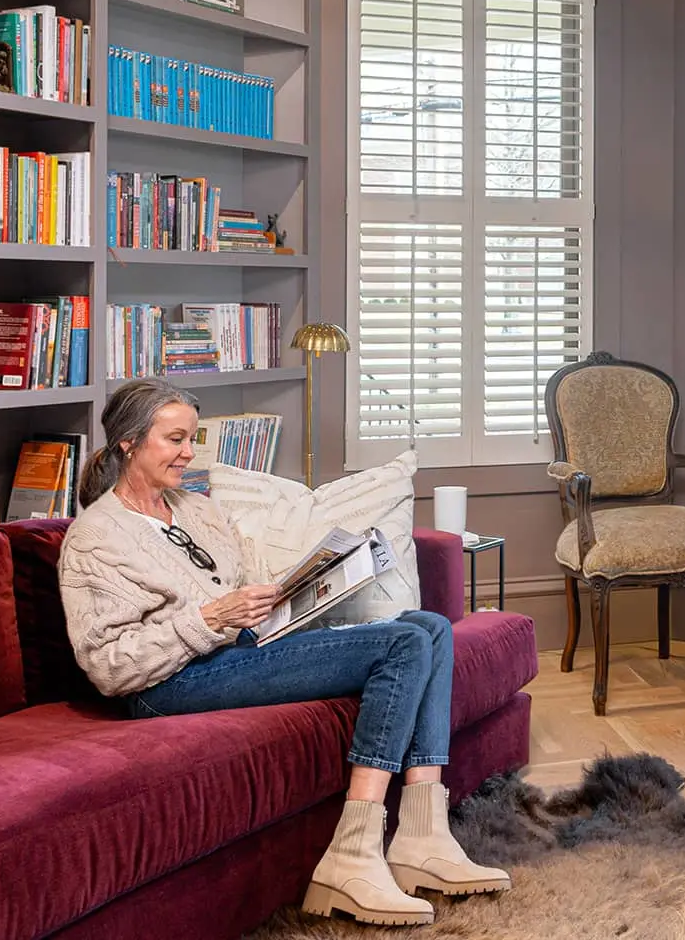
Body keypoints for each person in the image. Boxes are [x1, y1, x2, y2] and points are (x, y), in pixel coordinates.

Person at [57, 378, 508, 928]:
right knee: (403, 642)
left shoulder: (196, 510)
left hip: (242, 647)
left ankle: (422, 837)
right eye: (174, 439)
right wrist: (210, 618)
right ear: (128, 442)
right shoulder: (94, 538)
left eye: (192, 439)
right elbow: (109, 666)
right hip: (170, 684)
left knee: (430, 626)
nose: (188, 453)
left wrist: (295, 593)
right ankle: (352, 854)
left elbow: (247, 583)